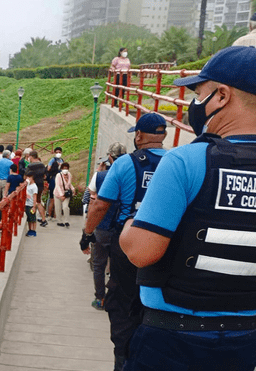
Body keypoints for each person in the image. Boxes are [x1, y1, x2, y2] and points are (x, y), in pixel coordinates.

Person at [118, 46, 256, 371]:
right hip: (243, 343)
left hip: (170, 338)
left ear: (222, 95)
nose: (193, 104)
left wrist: (130, 226)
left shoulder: (183, 162)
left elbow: (142, 252)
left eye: (199, 93)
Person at [80, 113, 167, 371]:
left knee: (122, 302)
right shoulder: (176, 162)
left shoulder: (124, 164)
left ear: (138, 136)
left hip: (127, 243)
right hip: (164, 246)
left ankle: (123, 360)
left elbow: (100, 205)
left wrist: (87, 232)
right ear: (163, 136)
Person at [85, 142, 127, 310]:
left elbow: (92, 199)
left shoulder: (100, 176)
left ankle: (100, 299)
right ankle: (116, 299)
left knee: (99, 265)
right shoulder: (131, 175)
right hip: (122, 228)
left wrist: (87, 230)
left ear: (110, 157)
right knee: (119, 266)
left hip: (102, 227)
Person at [25, 150, 48, 227]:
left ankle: (43, 219)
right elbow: (45, 175)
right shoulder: (42, 165)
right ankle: (42, 218)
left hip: (32, 185)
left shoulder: (30, 166)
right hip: (40, 184)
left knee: (37, 202)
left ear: (31, 157)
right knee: (38, 200)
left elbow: (26, 175)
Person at [53, 162, 75, 228]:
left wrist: (73, 189)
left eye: (67, 168)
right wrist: (61, 195)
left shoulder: (69, 175)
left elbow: (69, 184)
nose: (65, 169)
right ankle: (59, 221)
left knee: (65, 207)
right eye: (64, 168)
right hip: (58, 194)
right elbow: (57, 186)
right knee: (58, 208)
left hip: (66, 194)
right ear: (61, 168)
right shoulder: (58, 175)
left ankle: (66, 221)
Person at [46, 147, 64, 219]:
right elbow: (48, 169)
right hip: (53, 179)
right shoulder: (52, 160)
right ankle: (50, 215)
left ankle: (56, 215)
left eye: (59, 152)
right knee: (52, 198)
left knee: (58, 199)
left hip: (60, 180)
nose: (58, 154)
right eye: (57, 152)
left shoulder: (62, 160)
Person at [24, 172, 38, 237]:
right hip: (27, 204)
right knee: (29, 218)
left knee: (33, 218)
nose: (27, 178)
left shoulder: (34, 187)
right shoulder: (28, 185)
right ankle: (30, 229)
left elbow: (35, 197)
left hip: (31, 204)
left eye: (29, 177)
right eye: (27, 177)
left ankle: (33, 230)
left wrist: (34, 206)